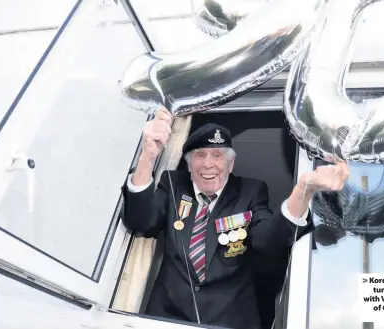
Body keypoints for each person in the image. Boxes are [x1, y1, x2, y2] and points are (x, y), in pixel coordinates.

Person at [121, 107, 349, 329]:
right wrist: (148, 158)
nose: (208, 164)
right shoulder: (174, 184)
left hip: (230, 322)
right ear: (189, 166)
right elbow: (141, 221)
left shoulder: (250, 192)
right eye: (200, 155)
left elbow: (268, 241)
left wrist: (303, 189)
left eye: (217, 155)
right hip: (165, 320)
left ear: (230, 165)